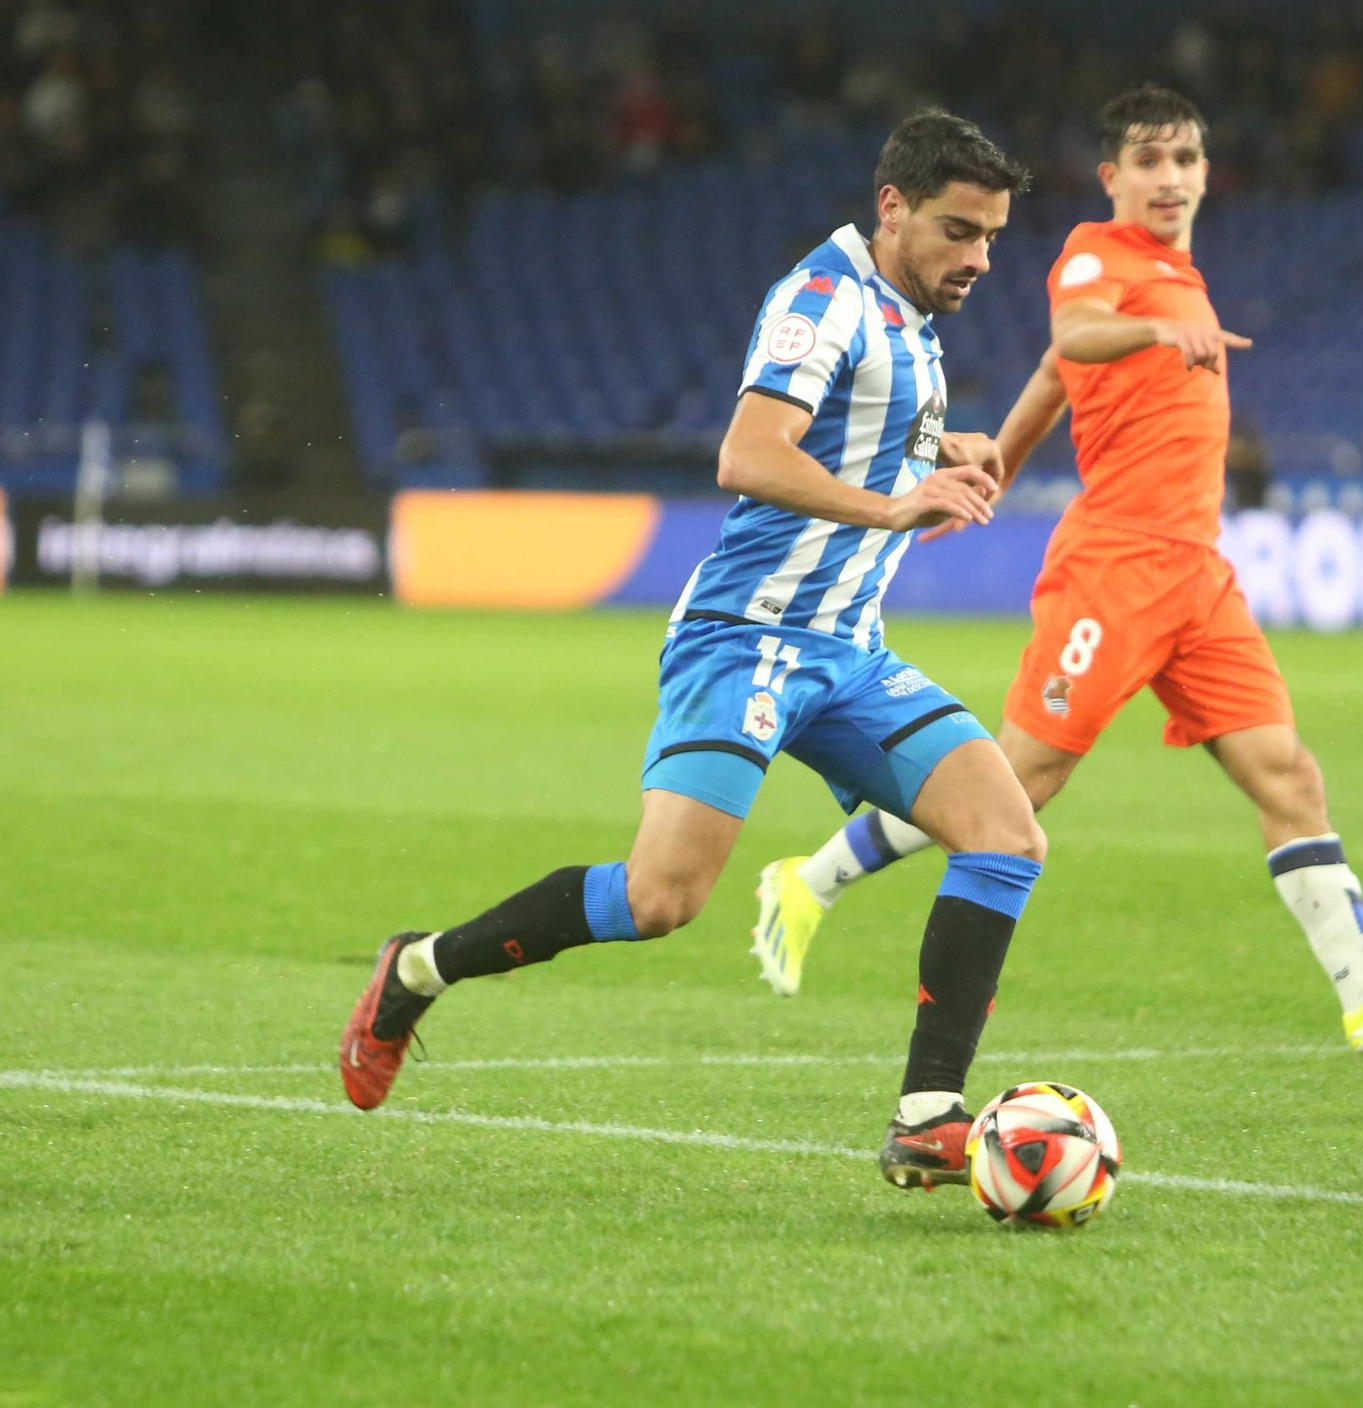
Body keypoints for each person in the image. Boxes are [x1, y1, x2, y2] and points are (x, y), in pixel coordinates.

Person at [341, 111, 1041, 1192]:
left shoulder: (908, 307)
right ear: (891, 206)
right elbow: (747, 454)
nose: (977, 260)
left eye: (989, 237)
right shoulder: (823, 300)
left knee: (1004, 833)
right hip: (748, 642)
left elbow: (854, 420)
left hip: (848, 652)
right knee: (659, 899)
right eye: (958, 232)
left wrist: (930, 443)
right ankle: (419, 966)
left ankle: (926, 1114)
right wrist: (895, 503)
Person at [750, 85, 1363, 1058]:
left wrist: (994, 467)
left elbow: (1055, 381)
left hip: (1197, 573)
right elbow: (1074, 339)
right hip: (1116, 565)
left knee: (1287, 774)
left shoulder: (1175, 275)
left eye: (1186, 159)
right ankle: (808, 881)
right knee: (1014, 784)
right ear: (1113, 177)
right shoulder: (1102, 255)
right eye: (1149, 160)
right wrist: (1150, 330)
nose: (1170, 177)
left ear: (1206, 172)